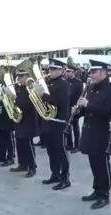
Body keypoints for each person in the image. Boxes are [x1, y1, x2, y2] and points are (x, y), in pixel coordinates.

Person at [76, 59, 111, 209]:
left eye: (94, 72)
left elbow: (110, 112)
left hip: (102, 132)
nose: (91, 75)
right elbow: (85, 109)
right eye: (91, 72)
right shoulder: (90, 87)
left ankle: (104, 194)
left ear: (103, 72)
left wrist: (88, 105)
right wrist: (78, 111)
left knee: (102, 164)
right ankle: (97, 189)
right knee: (94, 163)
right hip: (90, 130)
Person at [40, 59, 71, 190]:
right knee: (51, 150)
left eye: (53, 70)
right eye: (49, 69)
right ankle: (55, 174)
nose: (50, 72)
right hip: (48, 120)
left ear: (60, 70)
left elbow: (60, 101)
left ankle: (65, 178)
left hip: (59, 121)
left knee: (60, 150)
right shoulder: (48, 82)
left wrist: (43, 96)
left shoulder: (64, 84)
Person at [8, 65, 39, 178]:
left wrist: (13, 97)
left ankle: (32, 166)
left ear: (28, 76)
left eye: (21, 76)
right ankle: (22, 164)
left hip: (29, 119)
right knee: (20, 142)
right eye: (18, 76)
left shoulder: (31, 87)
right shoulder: (21, 87)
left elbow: (26, 104)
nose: (19, 79)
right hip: (20, 119)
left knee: (28, 144)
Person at [65, 65, 84, 153]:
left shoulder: (78, 82)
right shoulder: (65, 82)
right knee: (67, 126)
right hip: (66, 107)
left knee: (75, 127)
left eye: (69, 71)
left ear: (73, 72)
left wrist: (77, 107)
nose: (67, 73)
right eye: (67, 71)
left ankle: (77, 145)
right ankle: (69, 144)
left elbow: (80, 95)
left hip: (74, 106)